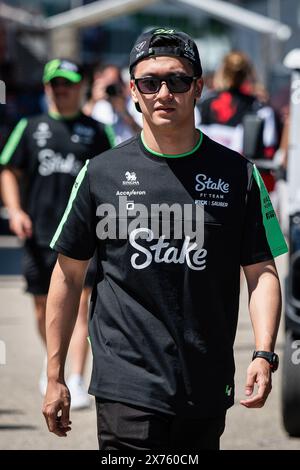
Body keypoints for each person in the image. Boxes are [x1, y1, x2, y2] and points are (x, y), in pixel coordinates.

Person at [42, 29, 287, 450]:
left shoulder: (238, 175)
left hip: (206, 383)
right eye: (150, 82)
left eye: (177, 80)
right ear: (134, 91)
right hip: (126, 383)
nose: (163, 93)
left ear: (199, 88)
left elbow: (262, 271)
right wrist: (55, 377)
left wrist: (264, 353)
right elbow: (67, 277)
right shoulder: (101, 174)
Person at [0, 58, 111, 409]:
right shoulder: (30, 127)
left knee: (80, 308)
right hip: (39, 234)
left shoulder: (96, 131)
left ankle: (75, 378)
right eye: (55, 84)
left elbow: (114, 178)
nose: (61, 89)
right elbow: (7, 169)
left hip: (84, 238)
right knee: (42, 308)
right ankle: (54, 362)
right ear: (47, 88)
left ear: (80, 87)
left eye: (68, 83)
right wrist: (15, 211)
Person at [198, 51, 281, 196]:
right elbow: (269, 147)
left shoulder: (204, 102)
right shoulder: (258, 107)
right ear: (248, 73)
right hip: (244, 181)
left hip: (204, 178)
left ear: (221, 71)